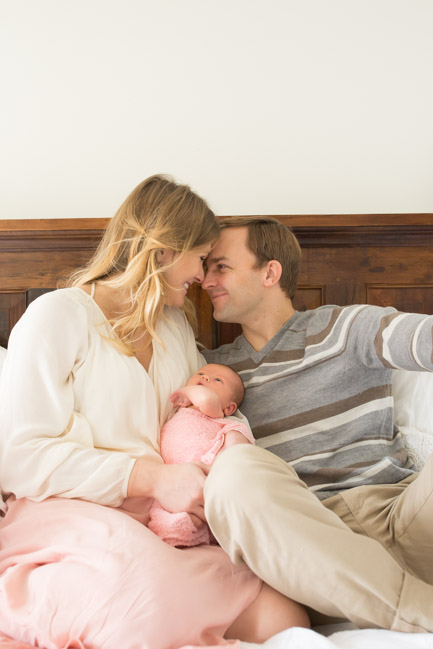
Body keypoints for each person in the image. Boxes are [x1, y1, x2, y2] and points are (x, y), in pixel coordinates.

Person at [0, 179, 309, 649]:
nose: (203, 277)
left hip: (165, 526)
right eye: (201, 258)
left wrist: (227, 448)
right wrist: (151, 478)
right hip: (67, 518)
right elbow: (20, 457)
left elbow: (200, 422)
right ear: (164, 251)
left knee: (283, 617)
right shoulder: (58, 316)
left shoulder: (175, 331)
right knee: (144, 599)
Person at [201, 215, 433, 633]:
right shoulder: (211, 372)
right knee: (233, 471)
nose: (206, 281)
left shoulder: (345, 327)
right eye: (205, 268)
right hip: (313, 553)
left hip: (405, 516)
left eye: (221, 267)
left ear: (270, 272)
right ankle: (420, 614)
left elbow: (423, 339)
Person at [148, 363, 255, 546]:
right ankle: (178, 535)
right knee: (166, 514)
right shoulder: (181, 413)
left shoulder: (214, 415)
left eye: (217, 380)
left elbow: (207, 400)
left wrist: (187, 391)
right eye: (201, 373)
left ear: (228, 409)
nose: (206, 378)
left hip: (207, 475)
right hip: (178, 481)